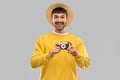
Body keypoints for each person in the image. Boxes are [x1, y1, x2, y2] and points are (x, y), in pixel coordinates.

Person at [30, 3, 90, 80]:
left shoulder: (77, 40)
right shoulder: (42, 39)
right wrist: (50, 54)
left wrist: (76, 55)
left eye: (62, 17)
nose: (59, 20)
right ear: (52, 19)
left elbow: (86, 65)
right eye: (56, 17)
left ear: (66, 19)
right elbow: (33, 63)